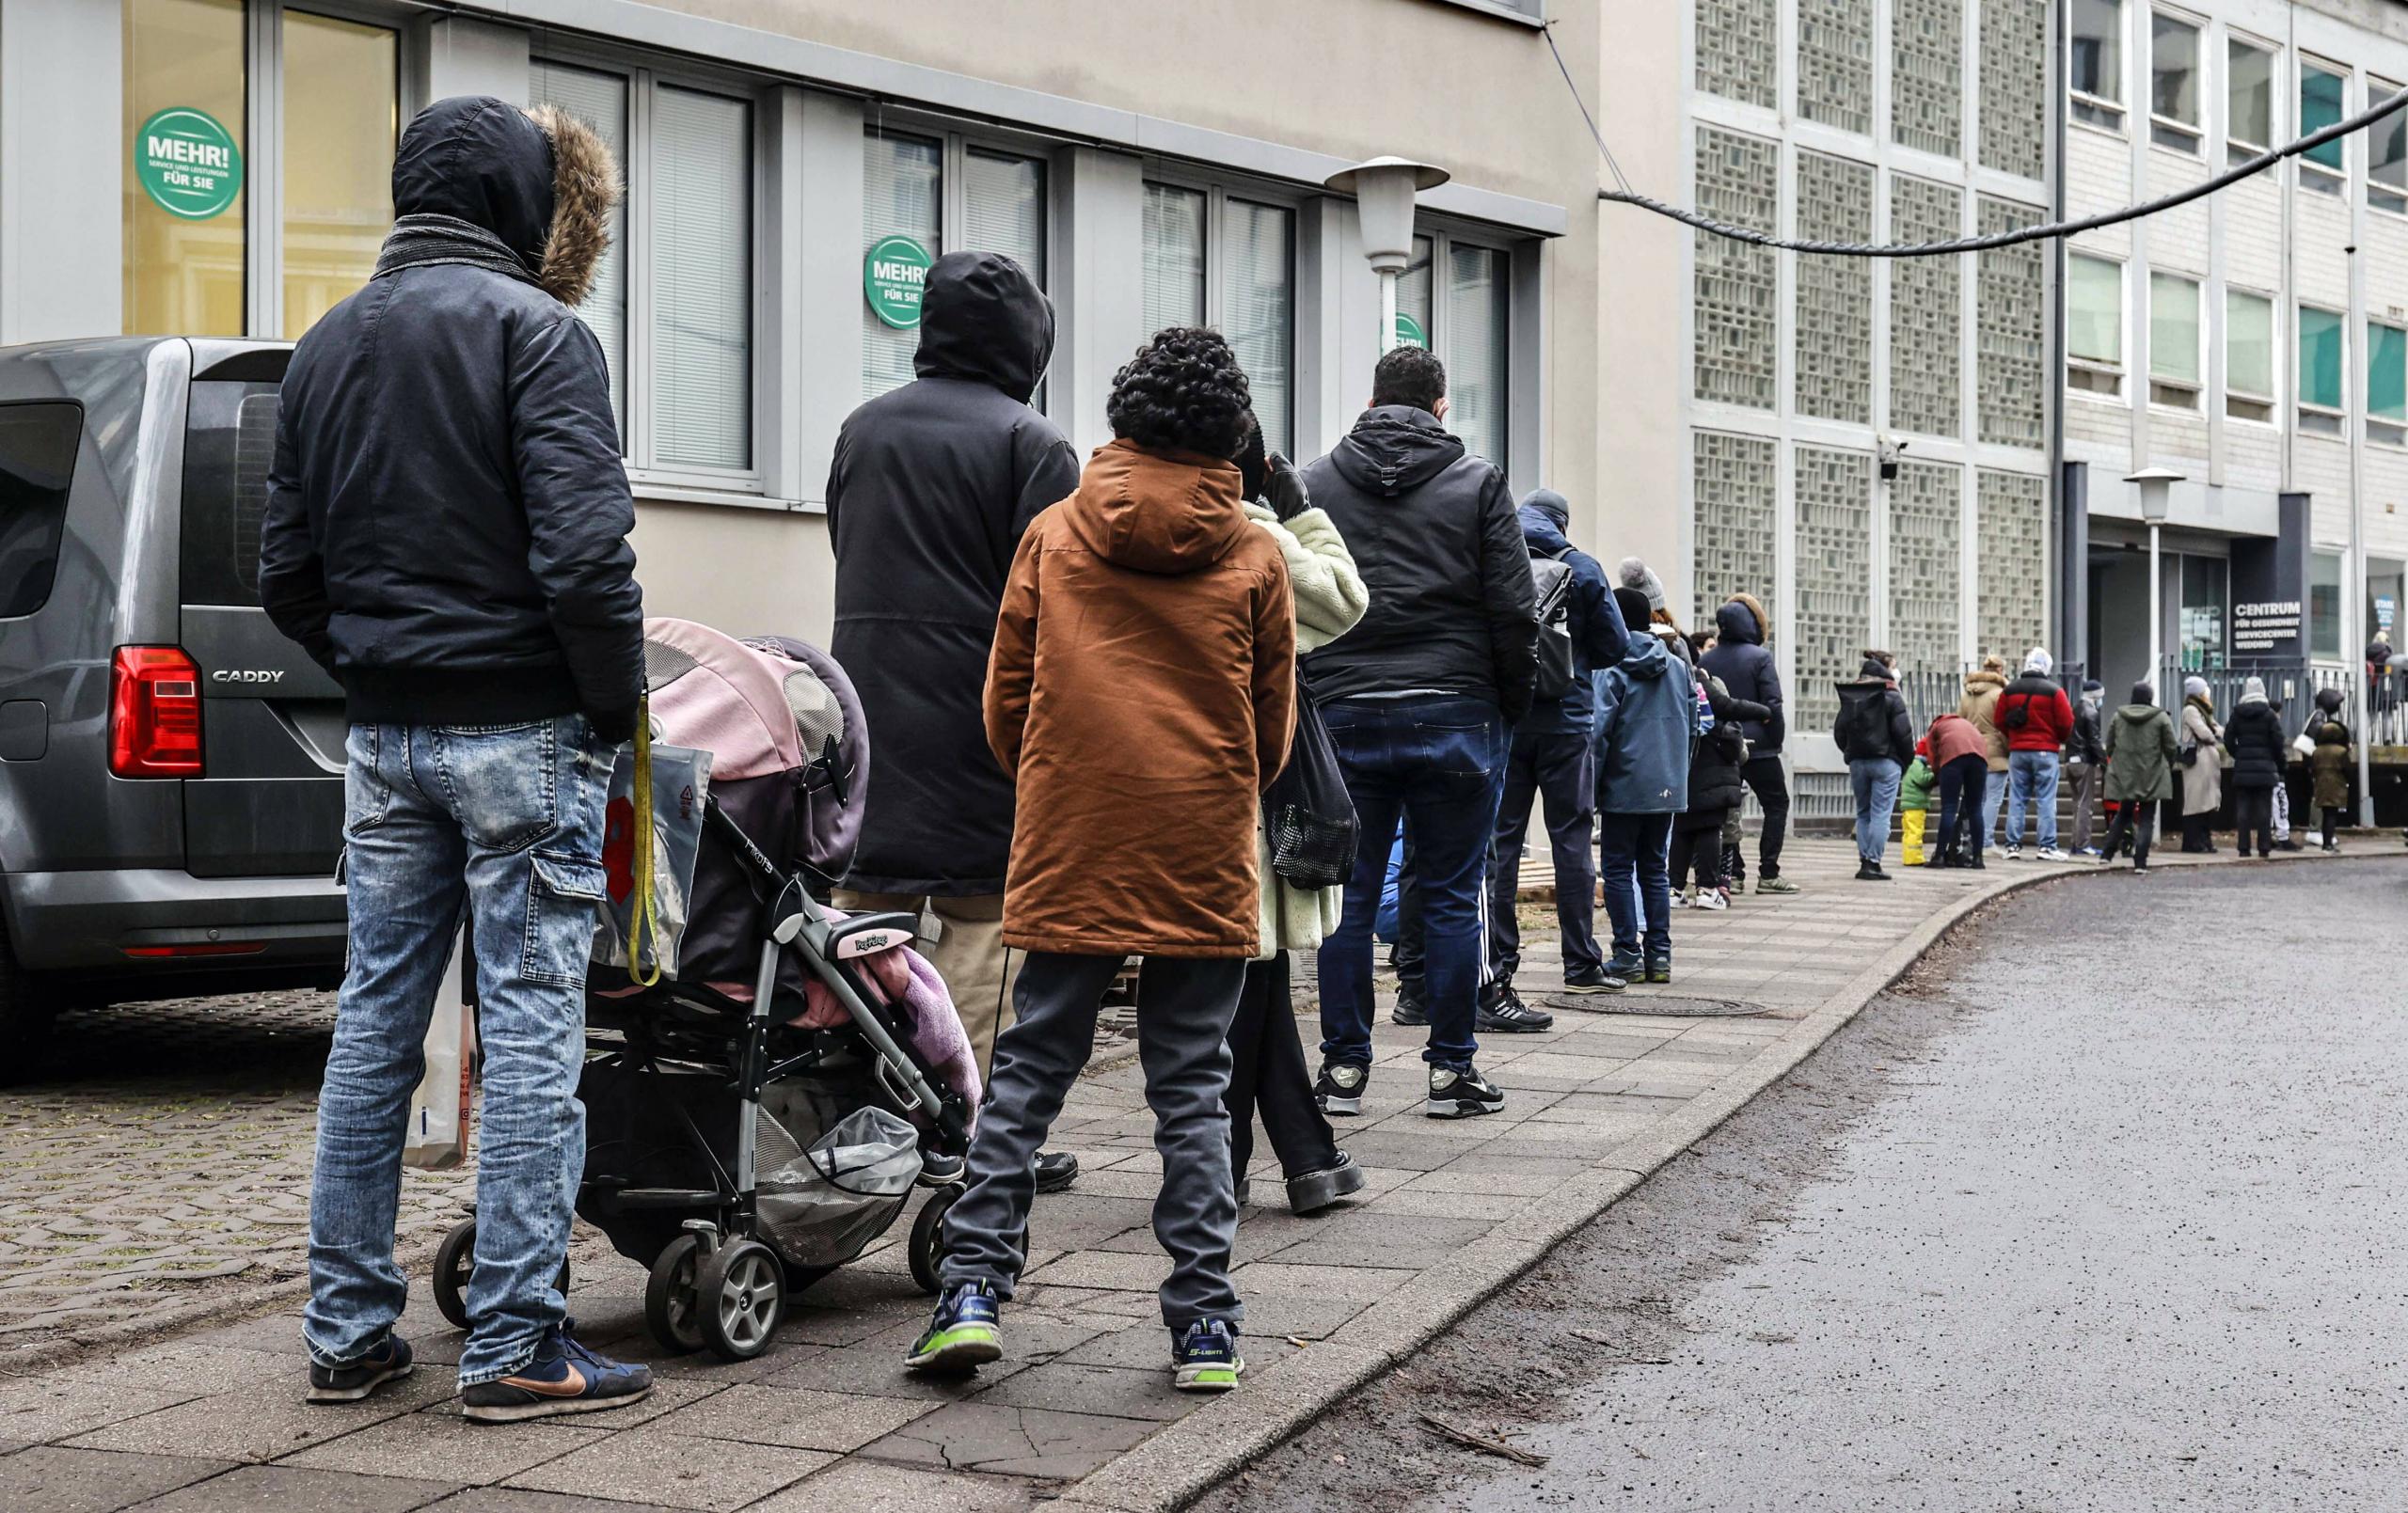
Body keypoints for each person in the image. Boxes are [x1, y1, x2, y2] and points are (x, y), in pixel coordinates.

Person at [261, 97, 654, 1420]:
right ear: (518, 201)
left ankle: (348, 1330)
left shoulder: (321, 346)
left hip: (384, 738)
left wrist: (380, 668)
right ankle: (517, 1342)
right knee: (532, 1022)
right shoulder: (540, 335)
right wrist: (608, 708)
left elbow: (285, 576)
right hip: (524, 728)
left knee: (374, 1022)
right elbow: (589, 558)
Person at [911, 327, 1294, 1394]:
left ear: (1123, 418)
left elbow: (1004, 705)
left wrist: (1061, 775)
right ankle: (1205, 1324)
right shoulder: (1257, 552)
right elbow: (1273, 735)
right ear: (1233, 434)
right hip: (1202, 842)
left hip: (1074, 827)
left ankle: (972, 1291)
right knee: (1192, 1084)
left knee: (1030, 1071)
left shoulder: (1054, 534)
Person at [828, 250, 1083, 1195]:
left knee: (862, 923)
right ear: (1028, 339)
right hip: (986, 726)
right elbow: (1059, 601)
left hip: (865, 717)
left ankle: (848, 1109)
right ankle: (961, 1126)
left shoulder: (864, 428)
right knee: (981, 934)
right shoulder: (1033, 443)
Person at [1306, 346, 1537, 1120]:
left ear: (1371, 404)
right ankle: (1450, 1071)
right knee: (1448, 895)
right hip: (1457, 714)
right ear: (1442, 408)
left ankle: (1342, 1070)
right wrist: (1507, 705)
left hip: (1343, 716)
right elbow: (1513, 609)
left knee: (1349, 897)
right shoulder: (1478, 483)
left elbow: (1293, 603)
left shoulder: (1315, 483)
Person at [1223, 417, 1368, 1216]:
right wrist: (1298, 507)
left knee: (1257, 973)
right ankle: (1230, 1158)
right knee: (1245, 968)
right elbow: (1345, 599)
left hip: (1159, 783)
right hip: (1246, 775)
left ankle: (1302, 1155)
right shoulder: (1254, 538)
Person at [1483, 489, 1628, 1002]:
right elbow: (1617, 646)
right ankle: (1580, 963)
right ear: (1561, 524)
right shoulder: (1582, 568)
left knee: (1502, 840)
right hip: (1567, 721)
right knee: (1571, 837)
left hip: (1508, 721)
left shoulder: (1493, 555)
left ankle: (1498, 963)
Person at [1594, 585, 1694, 985]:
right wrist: (1677, 773)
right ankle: (1660, 956)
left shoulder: (1612, 666)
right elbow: (1694, 727)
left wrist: (1591, 785)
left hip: (1623, 782)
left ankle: (1626, 953)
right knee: (1655, 868)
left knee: (1617, 868)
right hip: (1667, 783)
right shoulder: (1677, 666)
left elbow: (1599, 730)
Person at [1701, 593, 1797, 894]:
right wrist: (1775, 739)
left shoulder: (1707, 659)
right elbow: (1773, 702)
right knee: (1777, 804)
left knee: (1728, 809)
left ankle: (1735, 873)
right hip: (1761, 746)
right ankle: (1768, 873)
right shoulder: (1759, 657)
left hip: (1723, 745)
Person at [1672, 651, 1768, 908]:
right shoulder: (1704, 686)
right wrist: (1763, 712)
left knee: (1682, 831)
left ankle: (1675, 888)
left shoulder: (1674, 686)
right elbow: (1729, 714)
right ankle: (1707, 889)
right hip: (1713, 776)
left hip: (1682, 773)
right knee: (1709, 831)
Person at [1834, 652, 1914, 880]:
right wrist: (1906, 761)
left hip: (1858, 762)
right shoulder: (1891, 696)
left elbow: (1839, 731)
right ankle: (1873, 862)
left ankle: (1863, 861)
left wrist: (1850, 752)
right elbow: (1904, 734)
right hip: (1886, 762)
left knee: (1863, 813)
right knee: (1881, 814)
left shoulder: (1852, 697)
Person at [1996, 649, 2075, 860]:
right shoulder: (2054, 691)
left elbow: (1999, 720)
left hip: (2018, 751)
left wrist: (2014, 737)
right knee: (2046, 798)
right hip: (2045, 751)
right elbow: (2066, 722)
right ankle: (2047, 846)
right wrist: (2056, 739)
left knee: (2017, 798)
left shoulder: (2009, 691)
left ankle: (2012, 845)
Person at [2102, 684, 2178, 874]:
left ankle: (2106, 854)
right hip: (2151, 773)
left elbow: (2110, 744)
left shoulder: (2119, 716)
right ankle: (2140, 862)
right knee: (2147, 817)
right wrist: (2168, 764)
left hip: (2126, 773)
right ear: (2150, 698)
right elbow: (2171, 745)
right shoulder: (2160, 718)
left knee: (2123, 814)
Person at [2221, 676, 2286, 859]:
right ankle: (2264, 846)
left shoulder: (2237, 714)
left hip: (2243, 768)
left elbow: (2227, 739)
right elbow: (2278, 741)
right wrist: (2274, 758)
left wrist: (2239, 754)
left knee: (2243, 810)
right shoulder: (2269, 715)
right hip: (2265, 768)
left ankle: (2243, 847)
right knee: (2264, 809)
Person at [1958, 654, 2010, 851]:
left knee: (1976, 798)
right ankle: (1986, 840)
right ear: (1999, 671)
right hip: (1995, 749)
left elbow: (1960, 722)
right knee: (1994, 797)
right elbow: (2003, 725)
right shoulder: (1999, 694)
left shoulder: (1967, 694)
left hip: (1971, 748)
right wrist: (2009, 747)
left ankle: (1972, 838)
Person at [1926, 712, 1989, 869]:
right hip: (1980, 759)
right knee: (1975, 809)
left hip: (1953, 758)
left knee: (1949, 808)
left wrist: (1937, 775)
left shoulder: (1936, 727)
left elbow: (1933, 756)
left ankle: (1940, 856)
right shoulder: (1966, 724)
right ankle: (1977, 858)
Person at [2178, 676, 2225, 853]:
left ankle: (2204, 840)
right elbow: (2205, 732)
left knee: (2207, 803)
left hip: (2206, 760)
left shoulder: (2202, 710)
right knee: (2196, 802)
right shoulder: (2191, 710)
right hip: (2198, 760)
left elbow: (2216, 728)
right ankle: (2194, 841)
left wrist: (2216, 731)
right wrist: (2215, 733)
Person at [2067, 679, 2109, 857]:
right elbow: (2094, 740)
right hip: (2085, 762)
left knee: (2077, 804)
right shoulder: (2091, 713)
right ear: (2096, 695)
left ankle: (2075, 843)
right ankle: (2083, 844)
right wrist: (2104, 761)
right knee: (2086, 804)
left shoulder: (2074, 709)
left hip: (2071, 760)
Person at [2311, 707, 2353, 852]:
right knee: (2332, 815)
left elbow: (2312, 768)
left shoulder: (2317, 751)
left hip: (2321, 783)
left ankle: (2325, 842)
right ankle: (2328, 844)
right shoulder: (2341, 751)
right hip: (2337, 784)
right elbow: (2348, 769)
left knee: (2324, 812)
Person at [1899, 738, 1936, 868]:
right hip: (1916, 805)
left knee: (1909, 832)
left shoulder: (1913, 764)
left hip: (1909, 805)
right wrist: (1935, 775)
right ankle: (1915, 858)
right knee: (1916, 831)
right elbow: (1922, 780)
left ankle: (1909, 857)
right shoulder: (1917, 765)